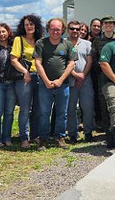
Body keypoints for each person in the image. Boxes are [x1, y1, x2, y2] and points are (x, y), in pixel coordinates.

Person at [33, 18, 76, 149]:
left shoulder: (68, 44)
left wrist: (60, 80)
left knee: (62, 113)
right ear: (48, 29)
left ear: (62, 29)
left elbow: (71, 63)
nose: (55, 31)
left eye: (58, 29)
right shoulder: (41, 43)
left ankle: (60, 138)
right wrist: (46, 81)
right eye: (53, 29)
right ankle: (43, 139)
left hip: (63, 85)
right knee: (44, 113)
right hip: (44, 85)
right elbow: (37, 63)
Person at [10, 14, 43, 149]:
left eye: (32, 24)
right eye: (26, 24)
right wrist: (25, 72)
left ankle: (34, 135)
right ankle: (24, 138)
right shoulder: (19, 40)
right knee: (25, 109)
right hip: (25, 78)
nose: (29, 26)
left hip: (40, 77)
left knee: (37, 109)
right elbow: (13, 59)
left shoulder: (40, 40)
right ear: (23, 27)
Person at [66, 20, 95, 143]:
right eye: (72, 29)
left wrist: (82, 75)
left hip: (85, 79)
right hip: (69, 79)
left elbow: (90, 61)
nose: (75, 31)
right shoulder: (63, 43)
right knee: (71, 108)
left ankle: (88, 132)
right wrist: (75, 75)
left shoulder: (87, 44)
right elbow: (64, 62)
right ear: (68, 30)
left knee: (88, 107)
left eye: (78, 29)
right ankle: (73, 133)